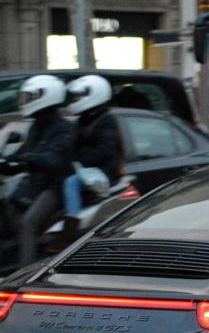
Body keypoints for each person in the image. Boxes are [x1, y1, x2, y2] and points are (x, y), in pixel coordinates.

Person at [9, 74, 76, 265]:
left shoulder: (64, 128)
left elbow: (56, 160)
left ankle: (24, 273)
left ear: (46, 96)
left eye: (30, 97)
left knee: (28, 223)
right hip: (36, 182)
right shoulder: (36, 126)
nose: (25, 102)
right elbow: (25, 152)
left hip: (56, 187)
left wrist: (29, 158)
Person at [62, 75, 124, 217]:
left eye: (80, 96)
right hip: (86, 169)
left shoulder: (107, 121)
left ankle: (72, 221)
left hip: (105, 171)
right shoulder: (83, 120)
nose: (76, 100)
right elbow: (71, 145)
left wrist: (79, 154)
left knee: (71, 183)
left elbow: (103, 151)